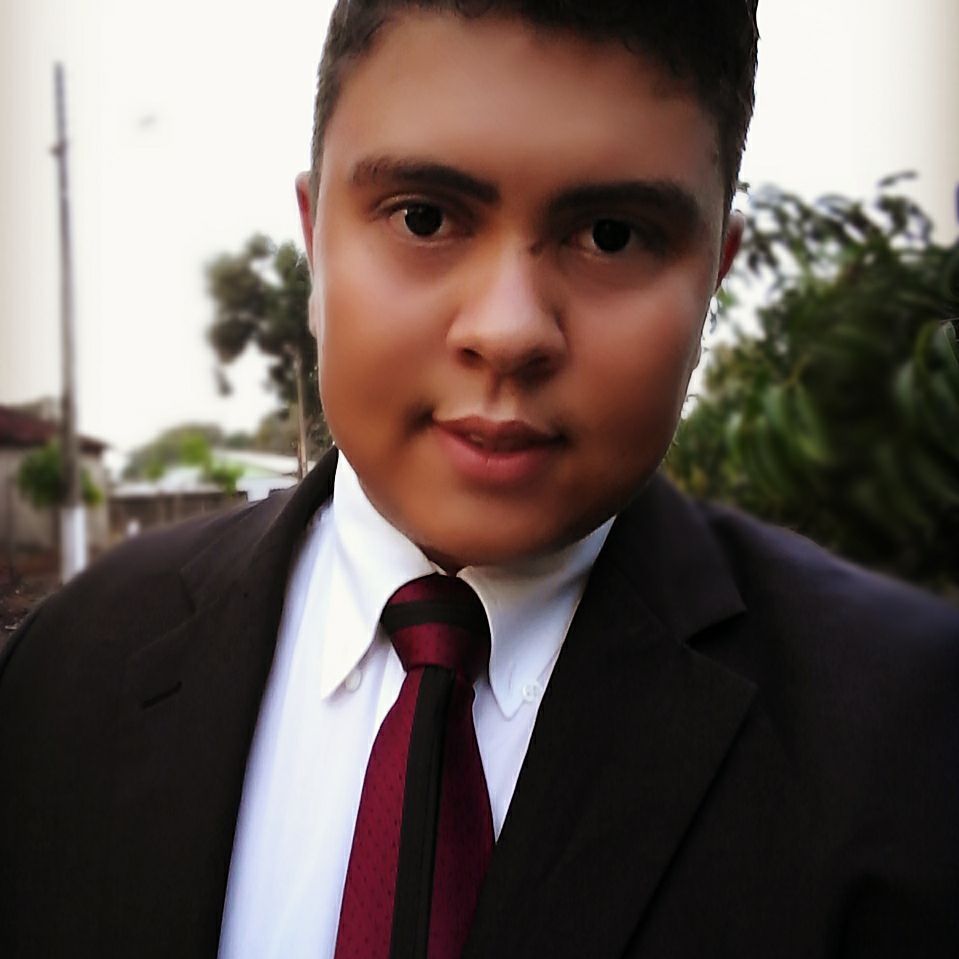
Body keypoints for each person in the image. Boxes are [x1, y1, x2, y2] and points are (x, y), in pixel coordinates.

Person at [1, 2, 957, 957]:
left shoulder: (908, 744)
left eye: (612, 235)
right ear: (313, 234)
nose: (507, 330)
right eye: (423, 217)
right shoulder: (65, 673)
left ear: (714, 273)